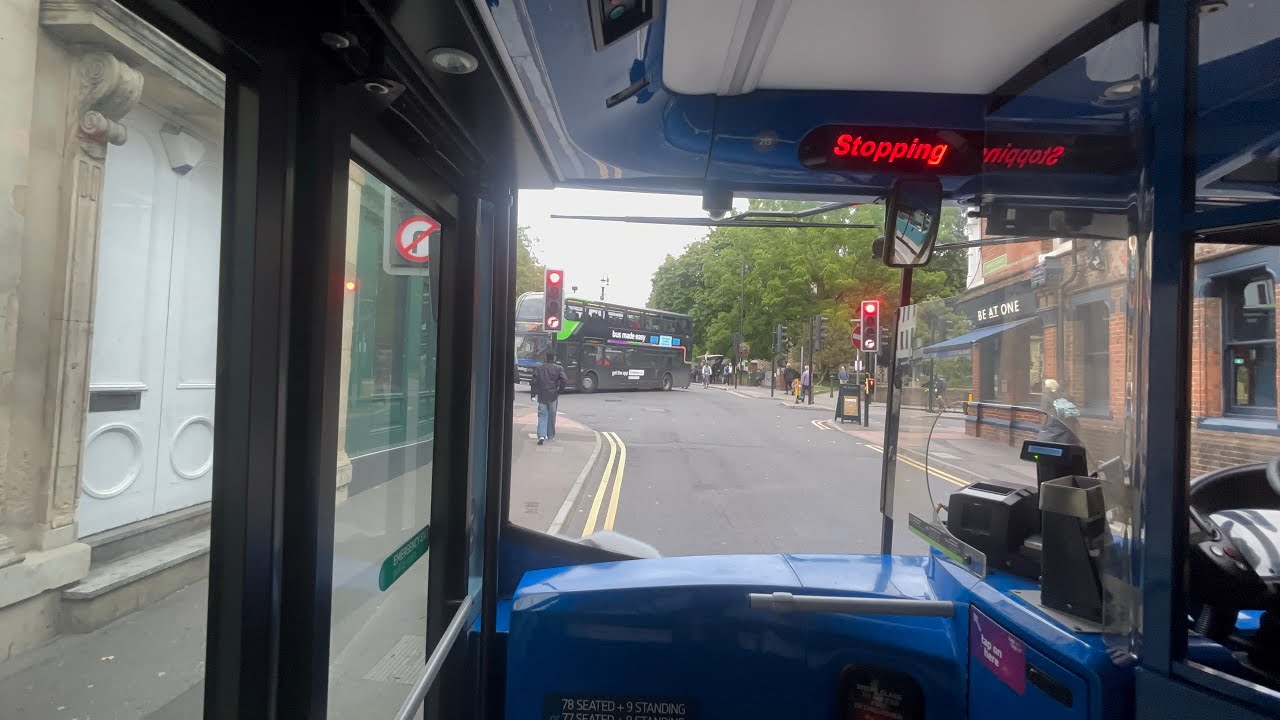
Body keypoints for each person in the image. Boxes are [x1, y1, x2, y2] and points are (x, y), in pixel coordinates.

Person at [530, 348, 567, 445]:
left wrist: (533, 395)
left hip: (542, 396)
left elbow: (533, 382)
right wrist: (560, 390)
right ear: (554, 358)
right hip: (553, 396)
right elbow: (564, 379)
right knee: (552, 416)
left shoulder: (539, 368)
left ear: (546, 357)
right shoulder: (559, 368)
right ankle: (550, 436)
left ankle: (541, 435)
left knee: (542, 416)